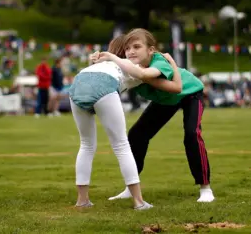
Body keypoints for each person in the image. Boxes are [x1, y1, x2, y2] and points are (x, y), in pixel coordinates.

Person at [69, 35, 182, 210]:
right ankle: (138, 201)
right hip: (104, 85)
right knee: (121, 145)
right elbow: (174, 87)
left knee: (86, 144)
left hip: (78, 82)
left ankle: (82, 201)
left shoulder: (104, 62)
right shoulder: (136, 66)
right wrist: (171, 62)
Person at [103, 28, 215, 203]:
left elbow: (147, 75)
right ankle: (130, 187)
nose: (131, 51)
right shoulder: (129, 69)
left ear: (151, 50)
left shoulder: (159, 61)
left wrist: (115, 59)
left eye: (137, 46)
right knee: (136, 135)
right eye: (127, 48)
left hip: (190, 93)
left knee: (192, 134)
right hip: (166, 101)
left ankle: (205, 188)